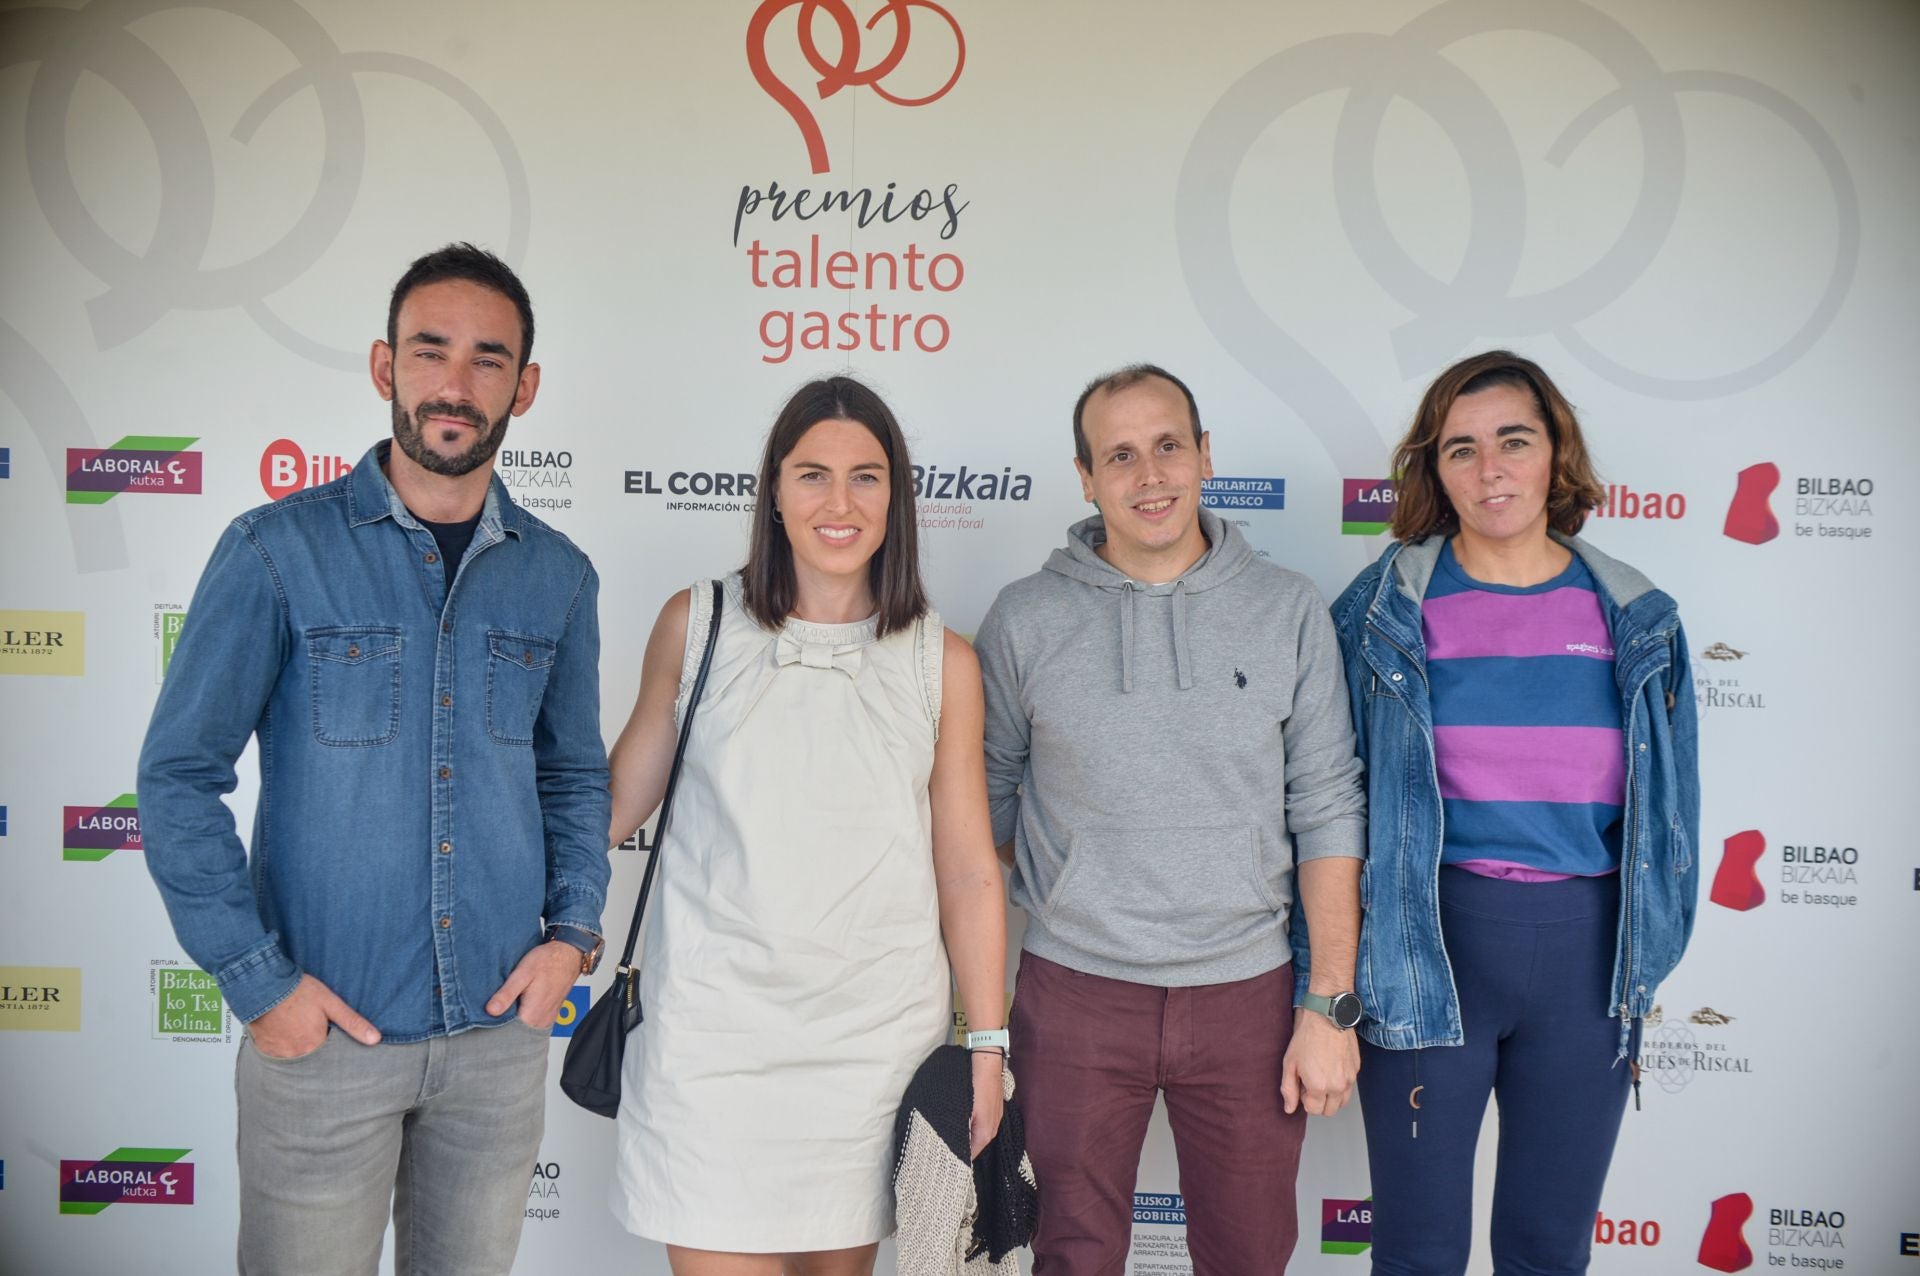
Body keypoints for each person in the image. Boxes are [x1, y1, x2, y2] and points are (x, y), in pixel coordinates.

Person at [137, 243, 610, 1275]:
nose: (455, 382)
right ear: (382, 366)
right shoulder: (274, 549)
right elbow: (178, 776)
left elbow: (573, 773)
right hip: (323, 1042)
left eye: (489, 360)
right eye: (429, 350)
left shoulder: (561, 579)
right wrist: (259, 984)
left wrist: (573, 932)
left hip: (494, 1047)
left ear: (524, 387)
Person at [605, 375, 1008, 1276]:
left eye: (866, 477)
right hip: (711, 1039)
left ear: (897, 498)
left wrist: (986, 1045)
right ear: (774, 492)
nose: (839, 502)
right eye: (812, 474)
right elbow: (612, 803)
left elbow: (971, 872)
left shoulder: (942, 662)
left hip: (871, 1047)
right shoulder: (696, 623)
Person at [972, 364, 1368, 1274]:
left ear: (1204, 456)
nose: (1148, 475)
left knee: (1249, 1255)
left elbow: (1328, 808)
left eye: (1167, 447)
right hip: (1073, 991)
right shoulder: (1026, 619)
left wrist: (1329, 1002)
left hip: (1249, 996)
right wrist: (1080, 883)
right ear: (1085, 478)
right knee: (1070, 1256)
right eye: (1119, 455)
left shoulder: (1288, 609)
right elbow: (986, 805)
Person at [1331, 350, 1699, 1276]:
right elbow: (1327, 803)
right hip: (1427, 950)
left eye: (1513, 441)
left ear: (1554, 454)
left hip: (1586, 958)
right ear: (1433, 469)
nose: (1489, 469)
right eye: (1461, 449)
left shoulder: (1639, 618)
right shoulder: (1378, 613)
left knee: (1547, 1250)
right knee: (1416, 1253)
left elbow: (1674, 819)